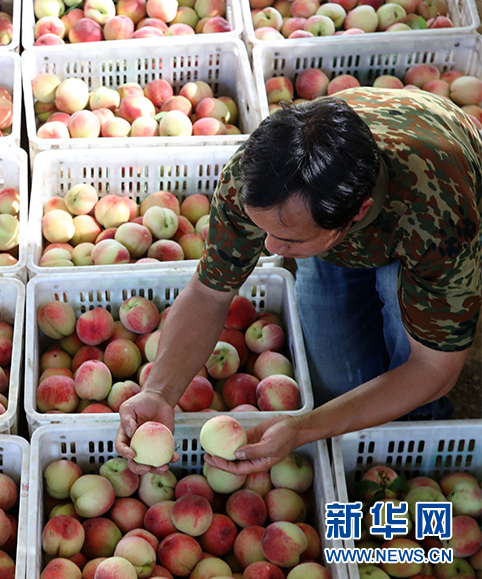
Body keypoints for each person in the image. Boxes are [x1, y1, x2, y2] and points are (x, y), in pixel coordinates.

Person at [116, 87, 482, 476]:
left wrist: (303, 428)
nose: (271, 248)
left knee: (407, 354)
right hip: (334, 219)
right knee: (339, 381)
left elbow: (433, 368)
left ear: (356, 215)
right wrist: (159, 392)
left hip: (427, 203)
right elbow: (208, 293)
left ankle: (421, 432)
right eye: (265, 230)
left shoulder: (441, 217)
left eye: (289, 239)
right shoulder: (254, 179)